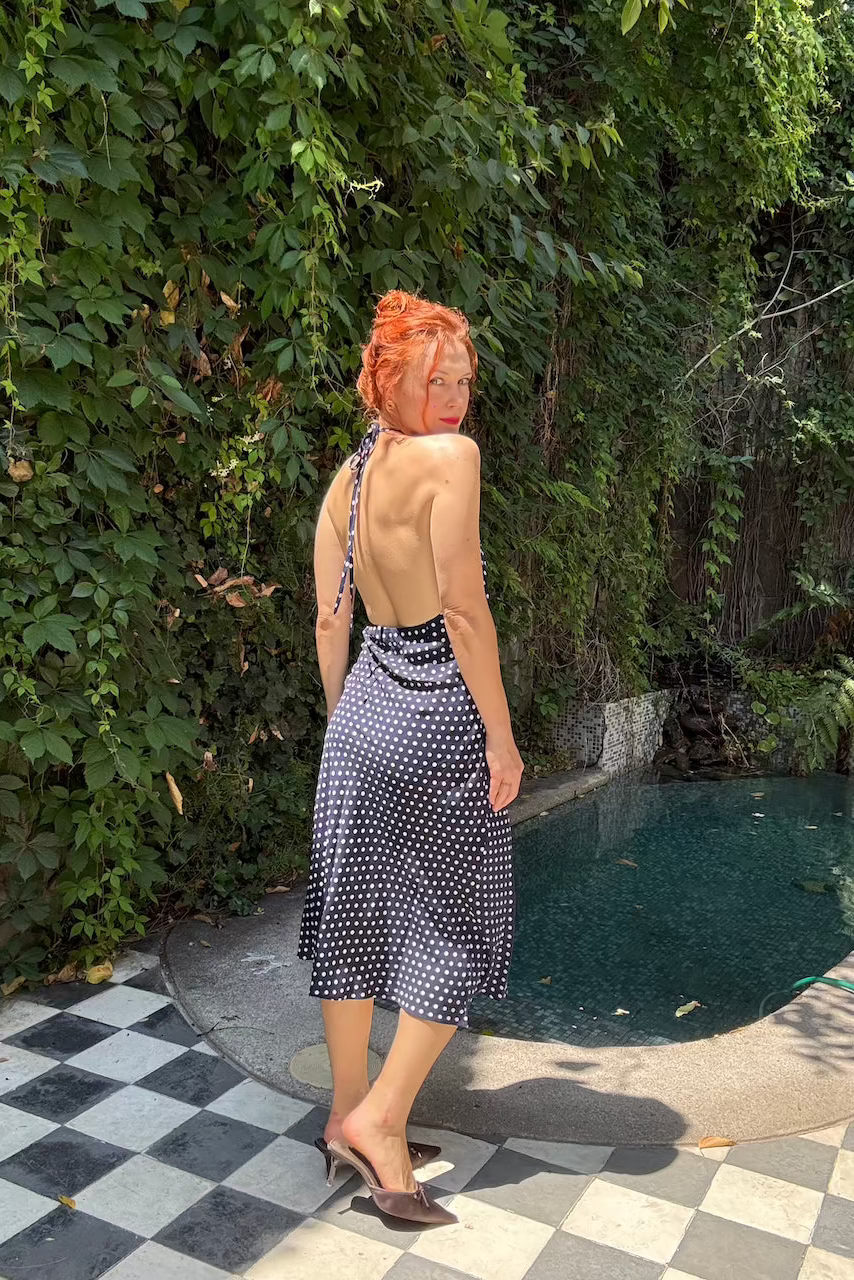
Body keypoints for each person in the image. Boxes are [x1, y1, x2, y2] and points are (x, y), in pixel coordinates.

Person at [297, 289, 524, 1225]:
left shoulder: (346, 481)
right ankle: (382, 1122)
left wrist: (345, 726)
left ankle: (343, 1113)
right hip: (437, 716)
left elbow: (330, 621)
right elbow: (464, 611)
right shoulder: (452, 461)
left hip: (361, 716)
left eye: (464, 382)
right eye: (438, 382)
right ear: (390, 383)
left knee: (352, 920)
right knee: (465, 925)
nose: (456, 400)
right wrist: (501, 736)